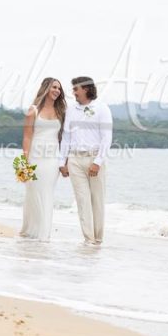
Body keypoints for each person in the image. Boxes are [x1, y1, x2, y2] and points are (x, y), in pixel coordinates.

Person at [59, 76, 113, 245]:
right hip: (74, 160)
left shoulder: (102, 108)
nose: (73, 92)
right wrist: (62, 162)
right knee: (82, 201)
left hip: (94, 158)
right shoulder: (70, 110)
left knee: (97, 200)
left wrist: (98, 161)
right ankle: (88, 239)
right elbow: (66, 137)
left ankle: (98, 239)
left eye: (76, 89)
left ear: (86, 89)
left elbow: (106, 137)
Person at [19, 77, 66, 241]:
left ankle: (44, 234)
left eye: (59, 88)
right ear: (46, 88)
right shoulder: (33, 110)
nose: (57, 91)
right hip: (35, 156)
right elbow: (27, 136)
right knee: (33, 193)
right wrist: (25, 161)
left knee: (47, 193)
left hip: (52, 158)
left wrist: (64, 161)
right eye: (54, 87)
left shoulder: (61, 112)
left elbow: (63, 139)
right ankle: (31, 230)